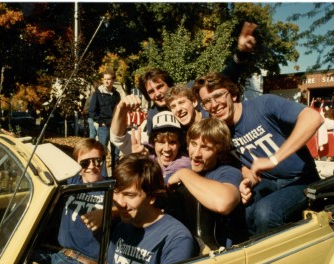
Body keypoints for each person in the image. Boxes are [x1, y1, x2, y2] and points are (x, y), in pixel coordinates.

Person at [192, 72, 324, 236]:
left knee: (266, 213)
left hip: (302, 179)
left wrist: (274, 159)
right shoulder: (222, 131)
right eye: (207, 101)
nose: (214, 104)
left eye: (218, 95)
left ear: (233, 94)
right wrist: (247, 180)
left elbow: (313, 118)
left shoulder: (263, 104)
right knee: (240, 212)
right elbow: (244, 164)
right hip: (268, 181)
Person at [110, 22, 257, 152]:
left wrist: (241, 54)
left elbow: (222, 80)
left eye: (160, 86)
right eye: (151, 92)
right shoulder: (153, 117)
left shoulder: (190, 90)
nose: (158, 93)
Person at [107, 153, 196, 264]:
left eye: (130, 195)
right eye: (116, 192)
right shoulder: (123, 226)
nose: (120, 202)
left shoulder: (176, 239)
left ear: (152, 197)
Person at [32, 138, 107, 264]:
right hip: (60, 255)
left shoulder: (111, 188)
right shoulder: (71, 182)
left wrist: (108, 213)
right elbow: (41, 164)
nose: (92, 166)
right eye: (85, 163)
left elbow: (129, 207)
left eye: (97, 161)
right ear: (77, 164)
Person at [167, 117, 244, 245]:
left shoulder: (228, 172)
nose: (196, 154)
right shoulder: (180, 173)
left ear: (219, 151)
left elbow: (223, 203)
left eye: (205, 148)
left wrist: (184, 174)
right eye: (193, 144)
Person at [131, 111, 190, 183]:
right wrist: (135, 160)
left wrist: (145, 165)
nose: (167, 148)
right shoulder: (146, 153)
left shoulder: (184, 163)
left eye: (172, 142)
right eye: (161, 142)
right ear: (153, 143)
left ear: (179, 143)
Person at [89, 69, 121, 177]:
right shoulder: (98, 93)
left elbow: (119, 111)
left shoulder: (116, 94)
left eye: (109, 79)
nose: (106, 81)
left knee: (115, 154)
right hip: (104, 128)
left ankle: (115, 177)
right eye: (105, 79)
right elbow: (92, 111)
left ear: (113, 80)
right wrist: (100, 122)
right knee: (102, 154)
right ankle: (104, 177)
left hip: (115, 128)